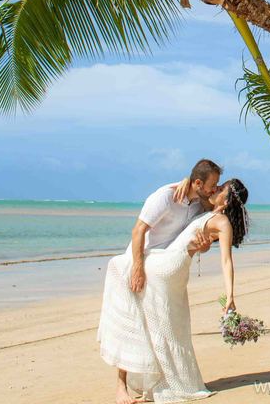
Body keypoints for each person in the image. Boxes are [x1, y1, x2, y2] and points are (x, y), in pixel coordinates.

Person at [98, 160, 223, 404]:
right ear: (197, 182)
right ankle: (120, 387)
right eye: (211, 185)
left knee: (150, 328)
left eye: (216, 186)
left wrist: (204, 247)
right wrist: (136, 268)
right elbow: (138, 231)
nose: (213, 189)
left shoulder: (199, 204)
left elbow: (193, 240)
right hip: (135, 262)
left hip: (160, 267)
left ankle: (152, 380)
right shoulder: (165, 198)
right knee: (129, 325)